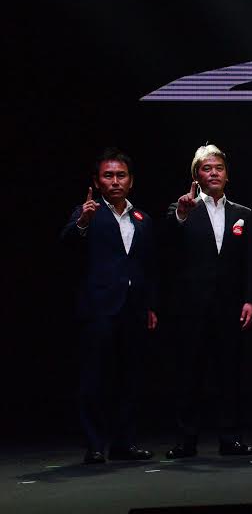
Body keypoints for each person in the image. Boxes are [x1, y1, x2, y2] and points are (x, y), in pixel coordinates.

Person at [60, 148, 157, 464]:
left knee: (131, 378)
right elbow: (66, 247)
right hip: (99, 308)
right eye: (108, 175)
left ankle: (124, 442)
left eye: (121, 175)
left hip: (133, 308)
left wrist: (150, 305)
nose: (115, 181)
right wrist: (82, 223)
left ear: (131, 181)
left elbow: (147, 266)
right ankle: (95, 444)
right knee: (95, 378)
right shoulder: (87, 212)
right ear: (96, 181)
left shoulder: (141, 219)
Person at [162, 144, 252, 458]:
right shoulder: (182, 208)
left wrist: (250, 299)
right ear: (196, 176)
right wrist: (181, 215)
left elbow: (251, 262)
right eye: (207, 168)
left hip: (230, 306)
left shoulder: (243, 214)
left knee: (229, 375)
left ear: (227, 175)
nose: (213, 173)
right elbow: (166, 249)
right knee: (189, 375)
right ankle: (186, 440)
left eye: (219, 168)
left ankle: (230, 438)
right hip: (191, 307)